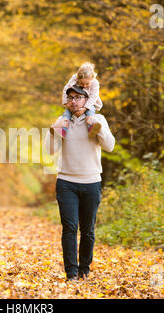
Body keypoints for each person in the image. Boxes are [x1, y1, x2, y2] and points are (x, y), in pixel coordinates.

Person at [45, 85, 115, 281]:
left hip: (91, 182)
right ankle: (71, 272)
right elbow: (49, 150)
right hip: (66, 181)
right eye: (70, 98)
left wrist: (96, 126)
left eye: (78, 97)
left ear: (87, 100)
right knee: (69, 227)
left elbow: (110, 146)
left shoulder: (98, 120)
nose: (74, 101)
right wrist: (55, 130)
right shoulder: (63, 121)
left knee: (88, 229)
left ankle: (84, 268)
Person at [57, 62, 103, 139]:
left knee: (90, 113)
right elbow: (66, 89)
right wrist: (66, 103)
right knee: (66, 114)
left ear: (92, 79)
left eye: (87, 84)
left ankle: (91, 128)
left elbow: (93, 97)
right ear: (78, 79)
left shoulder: (95, 83)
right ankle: (63, 131)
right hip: (77, 100)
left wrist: (85, 108)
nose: (84, 86)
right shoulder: (74, 79)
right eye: (82, 84)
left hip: (90, 102)